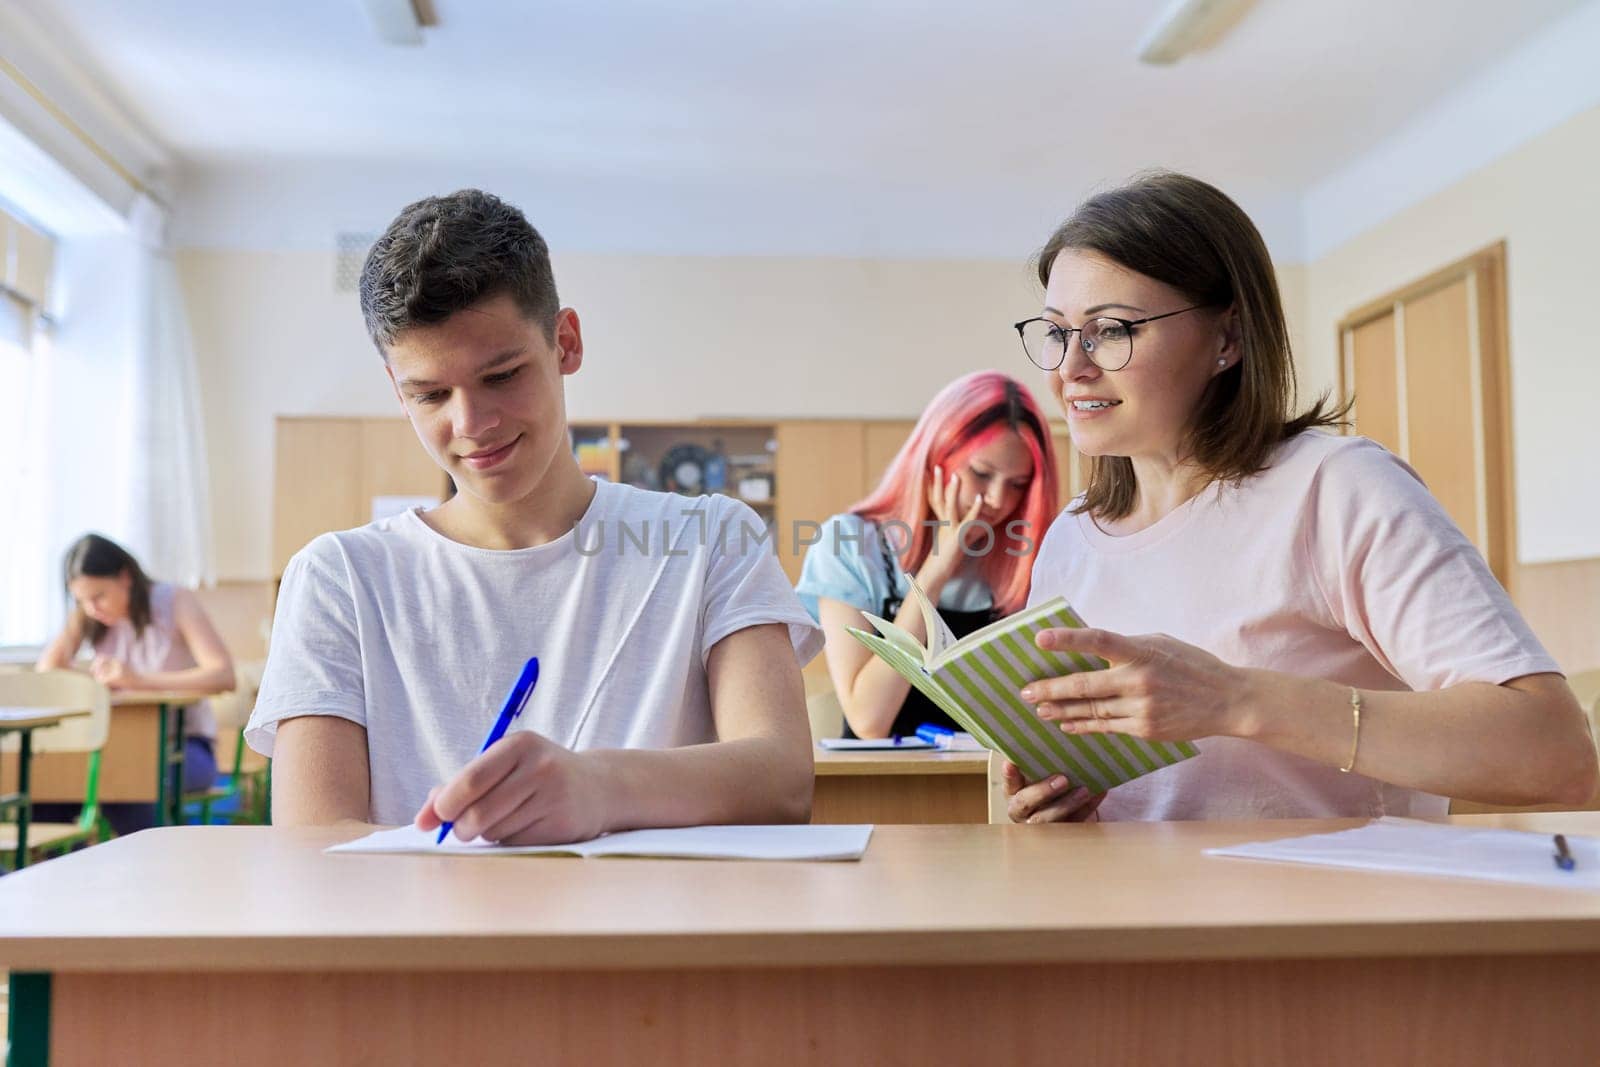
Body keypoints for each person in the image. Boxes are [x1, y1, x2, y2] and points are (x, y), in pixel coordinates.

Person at [1002, 171, 1597, 824]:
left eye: (1111, 330)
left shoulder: (1334, 488)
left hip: (1327, 918)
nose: (1070, 368)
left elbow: (1556, 751)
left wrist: (1237, 699)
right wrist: (1063, 808)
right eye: (1057, 332)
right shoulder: (1069, 539)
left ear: (1227, 339)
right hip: (1131, 915)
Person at [246, 189, 822, 843]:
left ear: (565, 343)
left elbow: (782, 779)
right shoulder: (339, 577)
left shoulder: (712, 539)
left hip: (654, 939)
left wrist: (600, 787)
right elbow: (312, 840)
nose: (472, 424)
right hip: (428, 942)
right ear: (396, 390)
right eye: (431, 393)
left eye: (503, 374)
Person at [796, 371, 1059, 739]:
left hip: (991, 784)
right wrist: (934, 574)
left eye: (1018, 484)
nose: (998, 500)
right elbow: (869, 720)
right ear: (934, 459)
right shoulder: (849, 544)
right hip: (885, 785)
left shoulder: (1031, 551)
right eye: (981, 474)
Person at [36, 533, 235, 834]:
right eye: (81, 600)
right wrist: (93, 679)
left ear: (125, 577)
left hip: (183, 748)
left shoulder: (174, 601)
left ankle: (154, 872)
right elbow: (47, 671)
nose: (92, 608)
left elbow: (223, 675)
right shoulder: (90, 617)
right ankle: (70, 873)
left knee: (129, 784)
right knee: (50, 791)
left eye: (99, 596)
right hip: (116, 750)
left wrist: (138, 681)